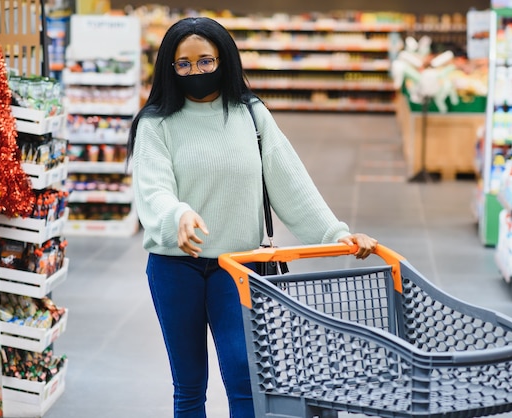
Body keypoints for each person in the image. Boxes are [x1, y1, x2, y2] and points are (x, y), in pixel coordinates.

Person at [126, 16, 378, 418]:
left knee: (246, 380)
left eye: (205, 61)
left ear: (224, 60)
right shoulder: (156, 123)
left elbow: (290, 181)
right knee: (189, 385)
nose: (196, 71)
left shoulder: (251, 115)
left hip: (239, 266)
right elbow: (153, 189)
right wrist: (179, 215)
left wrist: (337, 234)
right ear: (170, 69)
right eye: (184, 64)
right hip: (175, 269)